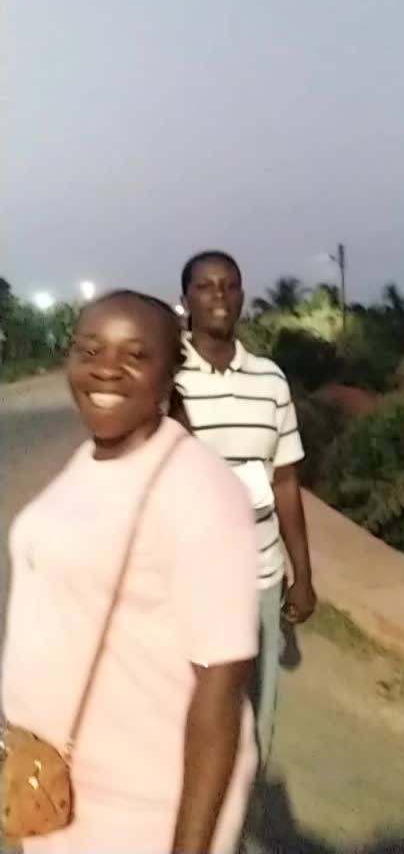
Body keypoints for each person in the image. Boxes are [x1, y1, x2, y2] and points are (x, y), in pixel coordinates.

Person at [1, 290, 259, 854]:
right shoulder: (92, 458)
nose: (106, 368)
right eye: (89, 350)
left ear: (170, 373)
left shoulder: (198, 490)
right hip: (55, 786)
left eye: (135, 355)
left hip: (138, 808)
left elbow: (220, 691)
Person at [175, 250, 316, 770]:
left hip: (260, 574)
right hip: (186, 582)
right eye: (206, 286)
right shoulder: (166, 379)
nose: (220, 295)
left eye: (229, 285)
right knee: (187, 716)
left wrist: (303, 575)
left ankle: (242, 807)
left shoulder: (270, 381)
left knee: (256, 717)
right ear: (186, 299)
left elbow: (285, 481)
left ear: (241, 296)